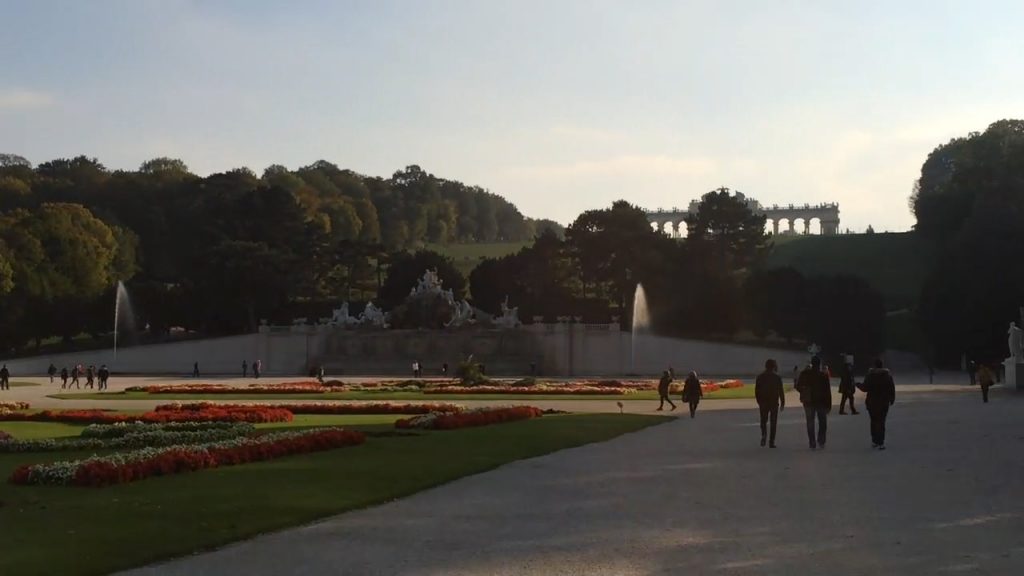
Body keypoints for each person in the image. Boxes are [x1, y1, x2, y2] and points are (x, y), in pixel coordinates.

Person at [795, 356, 832, 450]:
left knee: (810, 422)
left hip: (809, 402)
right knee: (822, 422)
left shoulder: (805, 374)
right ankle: (821, 440)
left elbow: (798, 386)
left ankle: (812, 442)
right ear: (819, 364)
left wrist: (804, 391)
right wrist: (829, 405)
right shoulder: (823, 376)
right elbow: (828, 392)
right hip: (821, 402)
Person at [858, 359, 896, 450]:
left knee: (874, 421)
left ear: (875, 365)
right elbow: (892, 388)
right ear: (882, 365)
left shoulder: (870, 375)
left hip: (872, 402)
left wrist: (858, 385)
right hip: (883, 402)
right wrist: (892, 399)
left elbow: (865, 388)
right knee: (881, 422)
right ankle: (881, 442)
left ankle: (874, 440)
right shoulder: (887, 376)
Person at [755, 359, 785, 448]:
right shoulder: (777, 377)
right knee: (773, 422)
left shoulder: (760, 377)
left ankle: (764, 434)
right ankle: (771, 441)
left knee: (763, 420)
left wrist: (759, 400)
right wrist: (783, 401)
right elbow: (781, 391)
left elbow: (757, 390)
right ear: (774, 366)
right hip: (773, 402)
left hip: (763, 401)